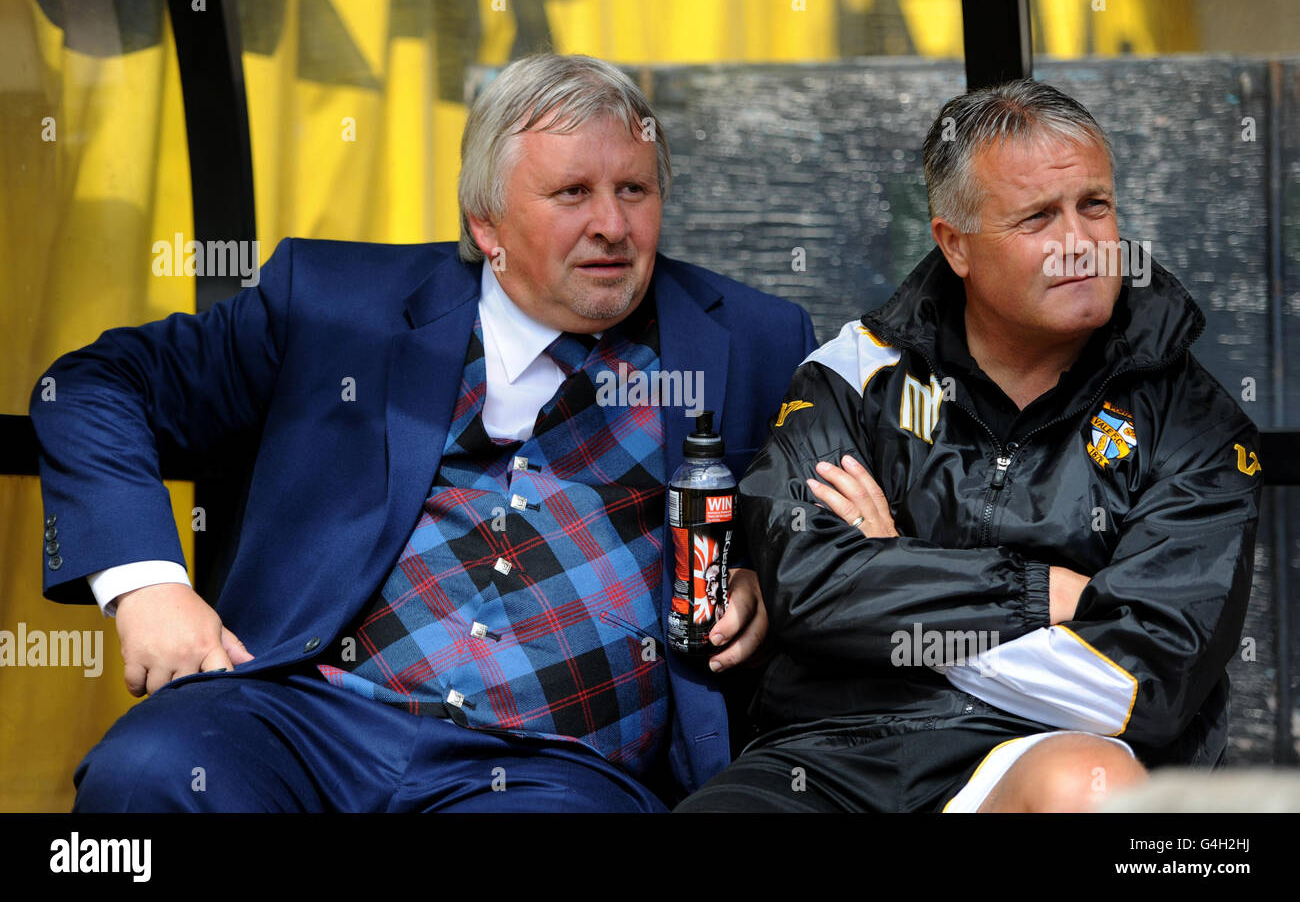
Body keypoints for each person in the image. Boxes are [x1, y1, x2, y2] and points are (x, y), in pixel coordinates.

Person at [30, 53, 817, 812]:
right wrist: (147, 585)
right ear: (487, 224)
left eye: (635, 189)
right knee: (151, 771)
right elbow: (93, 385)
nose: (612, 224)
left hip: (557, 767)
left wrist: (768, 576)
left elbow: (833, 524)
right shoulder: (335, 306)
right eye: (572, 192)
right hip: (309, 722)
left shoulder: (751, 341)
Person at [676, 79, 1262, 813]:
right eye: (1038, 218)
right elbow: (810, 589)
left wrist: (892, 573)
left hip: (1045, 749)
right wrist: (1040, 595)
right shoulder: (855, 373)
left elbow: (1142, 682)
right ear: (955, 244)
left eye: (1095, 206)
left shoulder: (1196, 422)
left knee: (1086, 789)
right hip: (834, 752)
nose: (1079, 244)